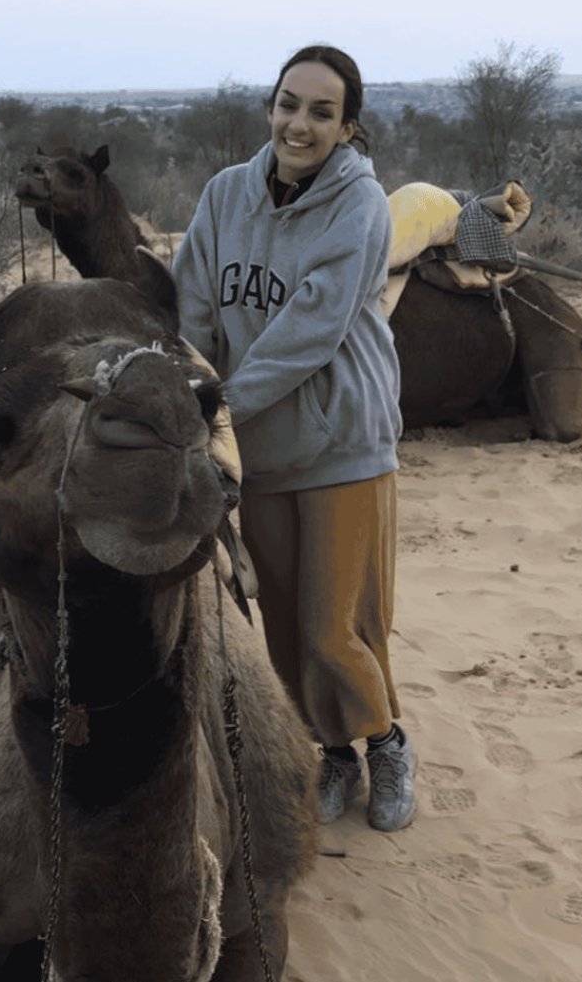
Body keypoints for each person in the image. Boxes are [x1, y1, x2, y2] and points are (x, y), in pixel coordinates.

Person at [172, 45, 416, 832]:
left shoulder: (359, 206)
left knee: (336, 624)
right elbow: (194, 309)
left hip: (343, 440)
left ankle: (386, 741)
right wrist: (196, 391)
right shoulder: (224, 196)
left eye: (320, 111)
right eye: (288, 104)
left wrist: (222, 405)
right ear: (269, 108)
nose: (298, 124)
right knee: (281, 622)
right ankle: (334, 753)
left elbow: (311, 327)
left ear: (348, 128)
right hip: (258, 446)